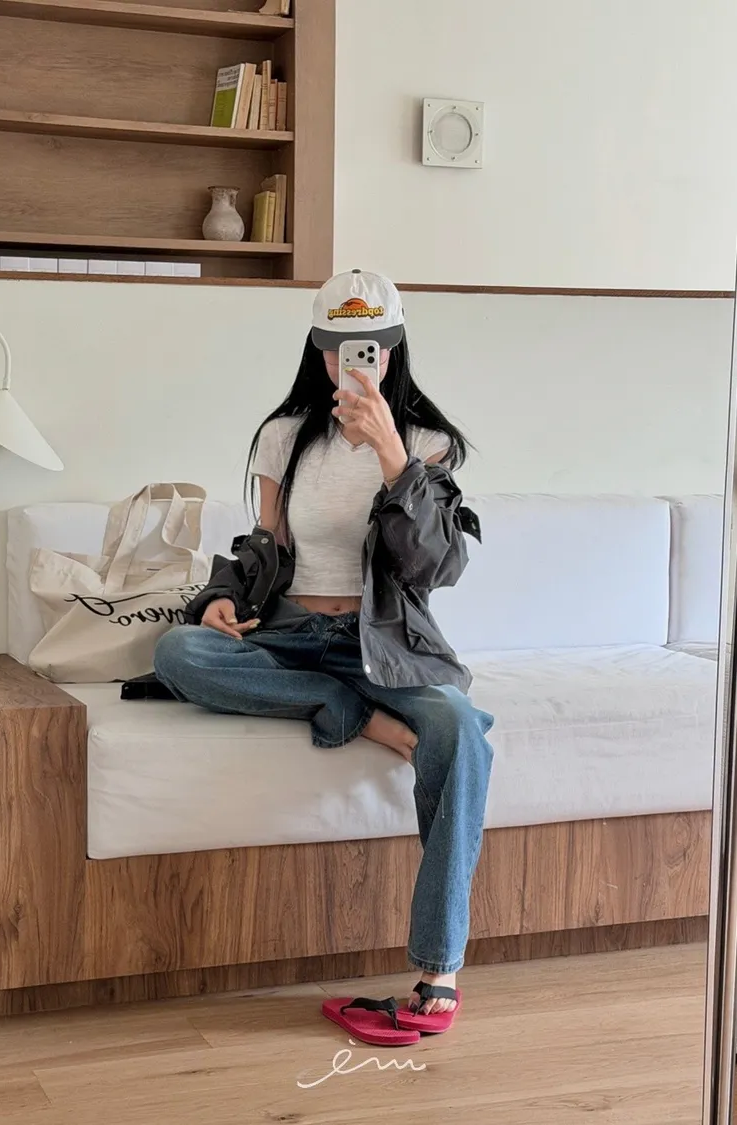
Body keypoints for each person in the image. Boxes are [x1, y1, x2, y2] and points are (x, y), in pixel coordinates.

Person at [154, 269, 494, 1026]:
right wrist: (221, 599)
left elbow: (430, 568)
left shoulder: (428, 444)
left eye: (369, 346)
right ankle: (353, 713)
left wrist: (393, 457)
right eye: (339, 347)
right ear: (318, 349)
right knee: (178, 653)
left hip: (380, 643)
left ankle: (438, 969)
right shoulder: (285, 435)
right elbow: (266, 545)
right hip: (290, 635)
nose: (353, 361)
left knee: (459, 730)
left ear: (394, 346)